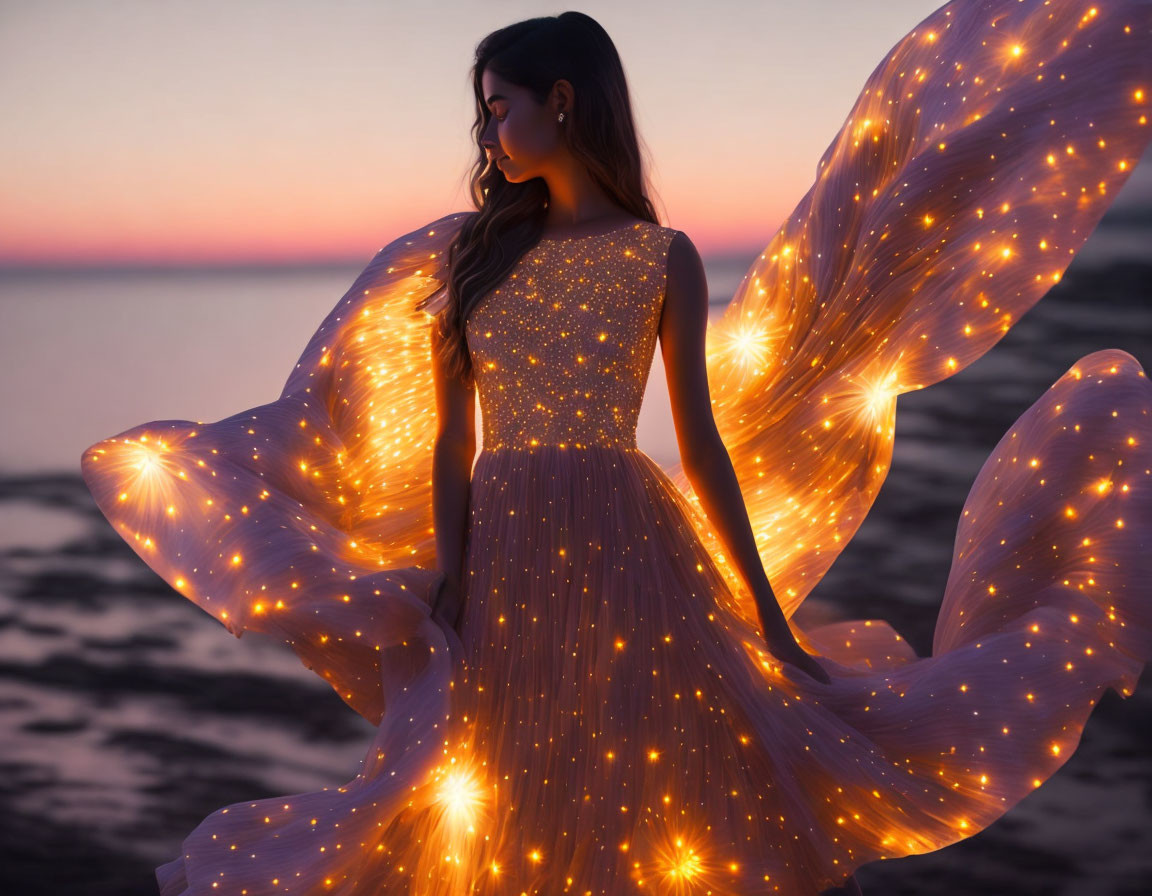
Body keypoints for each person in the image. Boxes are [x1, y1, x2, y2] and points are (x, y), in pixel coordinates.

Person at [80, 4, 1152, 894]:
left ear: (565, 101)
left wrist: (770, 618)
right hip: (508, 543)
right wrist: (453, 573)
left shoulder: (660, 257)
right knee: (511, 779)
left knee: (664, 776)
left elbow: (704, 443)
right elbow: (454, 440)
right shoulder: (473, 257)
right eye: (484, 110)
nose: (490, 132)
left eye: (503, 106)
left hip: (634, 539)